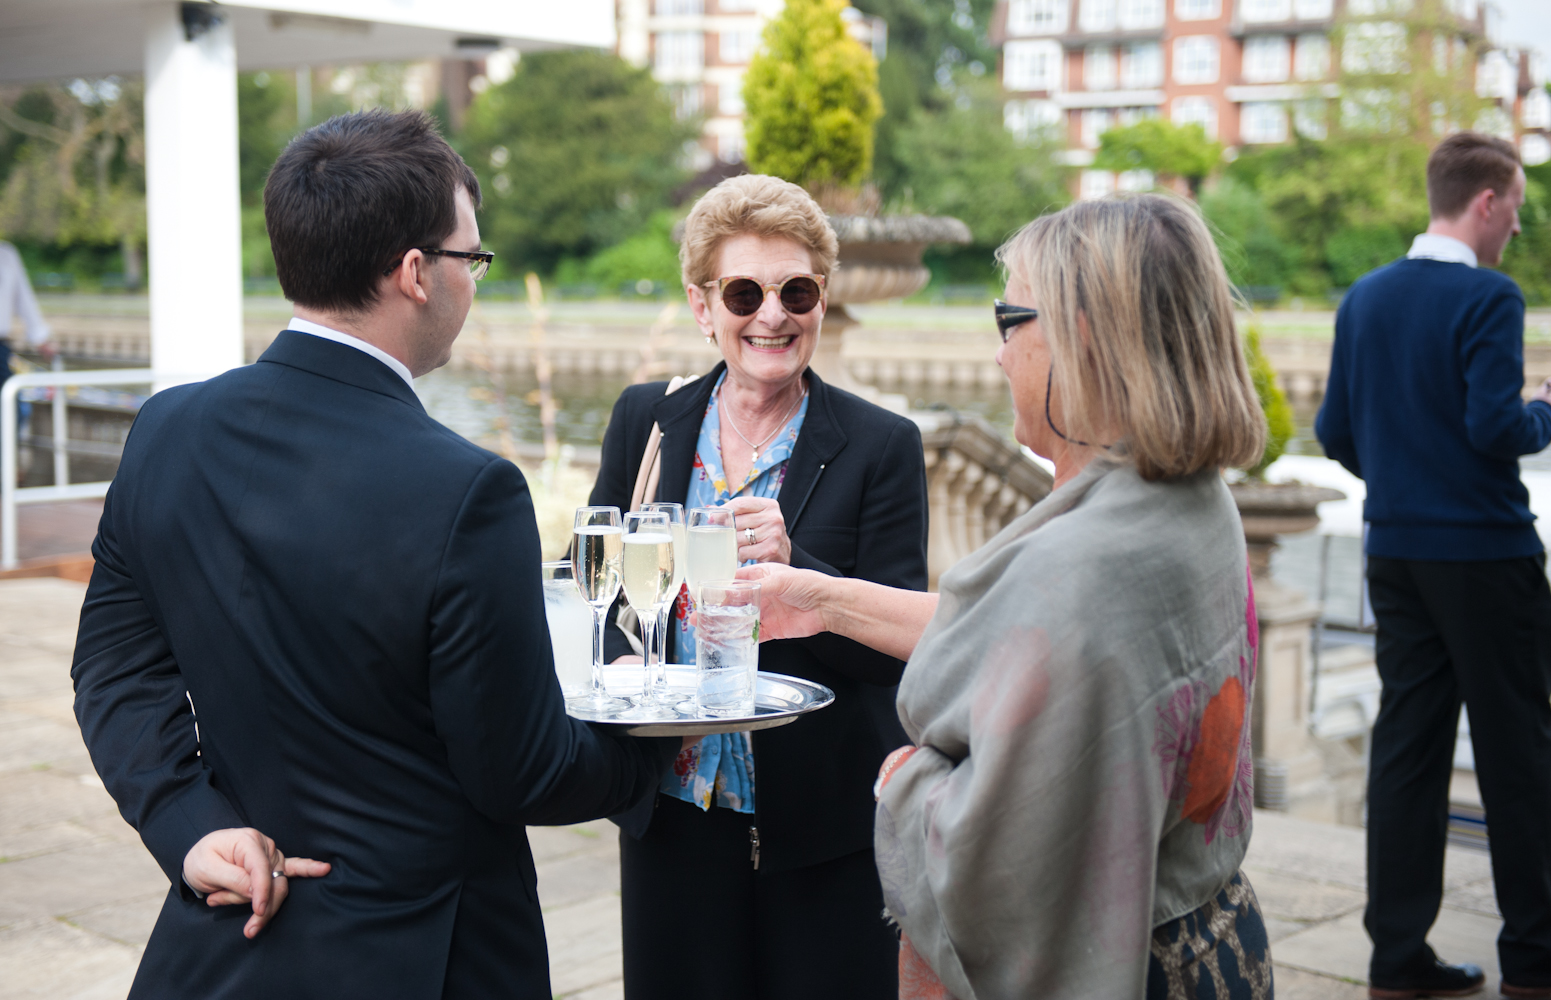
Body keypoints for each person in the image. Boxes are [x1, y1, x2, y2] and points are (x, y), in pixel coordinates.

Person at [70, 110, 678, 998]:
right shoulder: (469, 491)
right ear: (414, 274)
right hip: (430, 952)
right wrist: (664, 738)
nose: (476, 280)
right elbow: (522, 772)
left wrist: (187, 824)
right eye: (472, 258)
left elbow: (114, 666)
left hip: (222, 947)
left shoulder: (167, 429)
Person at [742, 193, 1272, 999]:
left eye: (1007, 319)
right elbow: (1011, 638)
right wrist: (819, 600)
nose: (997, 355)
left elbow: (998, 870)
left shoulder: (1083, 568)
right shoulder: (1187, 501)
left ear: (1083, 334)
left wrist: (903, 786)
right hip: (1215, 937)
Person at [587, 173, 929, 1000]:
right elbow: (606, 607)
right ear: (703, 307)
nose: (771, 314)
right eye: (744, 292)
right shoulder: (648, 421)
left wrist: (803, 568)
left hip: (820, 829)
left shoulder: (880, 444)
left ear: (820, 300)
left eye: (796, 290)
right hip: (672, 811)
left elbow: (894, 659)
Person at [1317, 131, 1551, 1000]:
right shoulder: (1490, 298)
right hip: (1486, 554)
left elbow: (1335, 433)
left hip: (1396, 552)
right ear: (1484, 202)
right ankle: (1534, 958)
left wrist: (1408, 478)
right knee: (1517, 753)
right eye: (1515, 213)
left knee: (1407, 749)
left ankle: (1395, 959)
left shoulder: (1365, 297)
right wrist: (1542, 412)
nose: (1514, 232)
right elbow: (1496, 429)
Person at [0, 240, 54, 479]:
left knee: (12, 410)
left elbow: (24, 297)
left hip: (1, 348)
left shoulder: (7, 254)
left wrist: (40, 337)